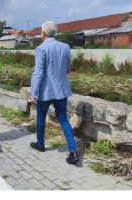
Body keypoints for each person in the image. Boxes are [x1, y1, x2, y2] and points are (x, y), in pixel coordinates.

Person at [29, 21, 80, 164]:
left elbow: (39, 72)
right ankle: (73, 152)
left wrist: (34, 92)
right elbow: (67, 69)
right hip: (61, 90)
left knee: (41, 117)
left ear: (43, 34)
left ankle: (40, 144)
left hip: (45, 91)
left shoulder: (41, 48)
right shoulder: (65, 47)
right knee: (63, 119)